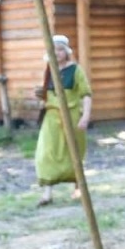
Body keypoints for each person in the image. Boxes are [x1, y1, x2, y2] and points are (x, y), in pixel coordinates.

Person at [33, 34, 91, 205]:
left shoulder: (75, 70)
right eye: (54, 50)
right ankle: (47, 194)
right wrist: (40, 95)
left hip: (71, 116)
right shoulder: (49, 71)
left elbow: (86, 94)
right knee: (46, 153)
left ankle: (78, 188)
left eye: (60, 49)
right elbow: (46, 95)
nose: (57, 53)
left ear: (66, 52)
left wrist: (85, 116)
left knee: (74, 152)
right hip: (51, 117)